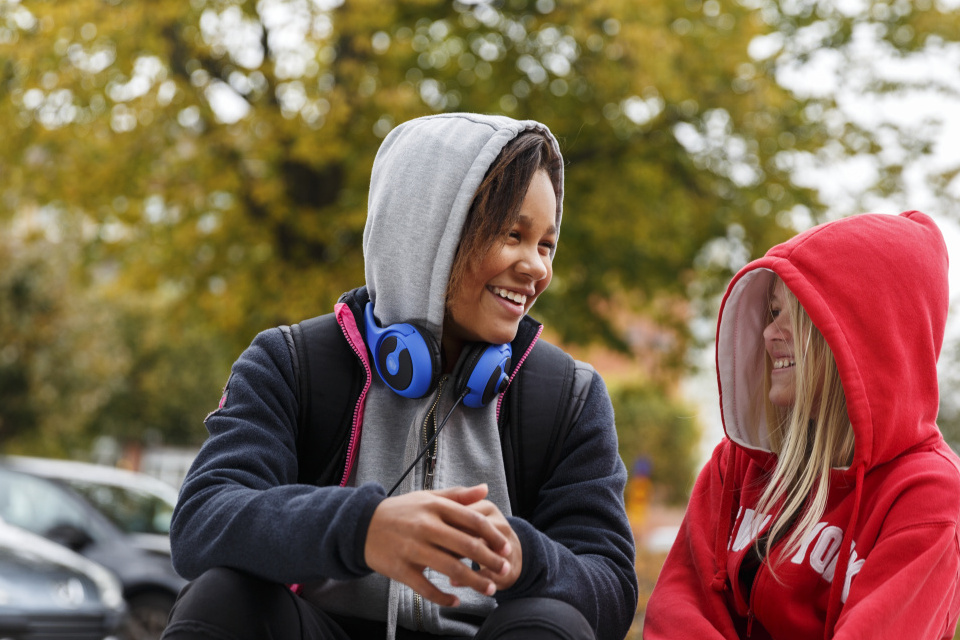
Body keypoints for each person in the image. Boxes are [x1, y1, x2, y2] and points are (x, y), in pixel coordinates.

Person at [162, 113, 638, 640]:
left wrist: (526, 559)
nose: (536, 268)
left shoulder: (570, 395)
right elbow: (203, 521)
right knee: (220, 599)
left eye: (545, 244)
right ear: (427, 229)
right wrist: (362, 528)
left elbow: (611, 588)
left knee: (557, 624)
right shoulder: (288, 362)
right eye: (512, 234)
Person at [644, 210, 960, 639]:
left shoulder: (929, 497)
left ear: (863, 334)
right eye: (772, 311)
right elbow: (678, 610)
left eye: (796, 312)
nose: (769, 333)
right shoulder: (739, 462)